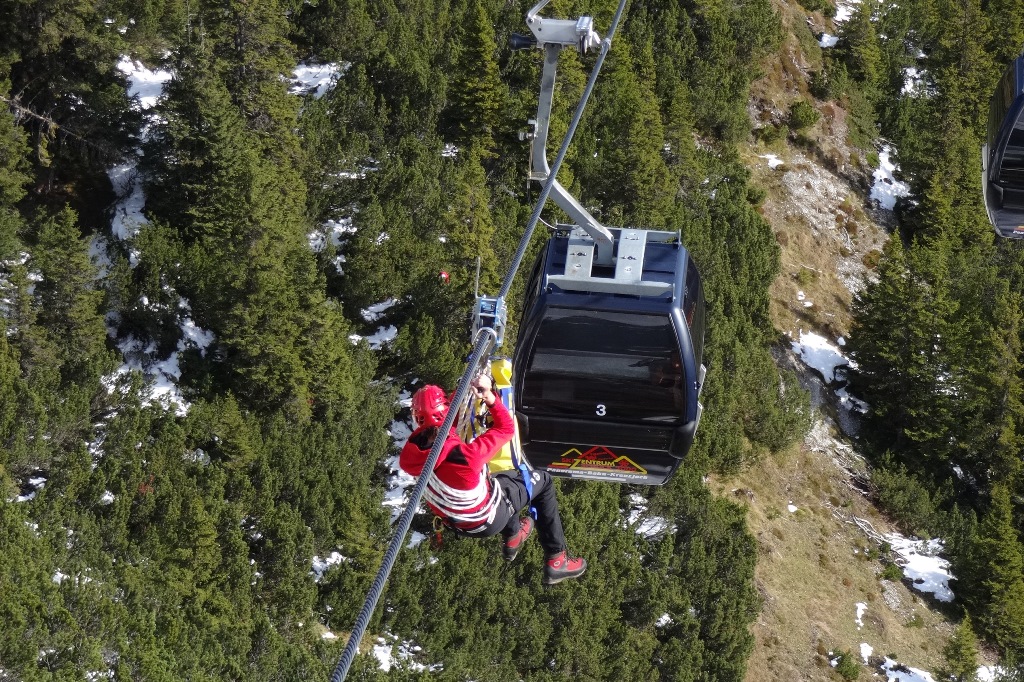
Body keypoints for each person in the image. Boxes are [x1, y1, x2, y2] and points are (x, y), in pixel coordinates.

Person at [400, 374, 587, 585]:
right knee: (543, 482)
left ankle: (513, 536)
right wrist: (489, 396)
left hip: (458, 523)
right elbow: (506, 428)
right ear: (445, 410)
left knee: (505, 480)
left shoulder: (414, 454)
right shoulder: (467, 457)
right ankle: (557, 559)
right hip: (488, 519)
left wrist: (465, 388)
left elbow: (447, 422)